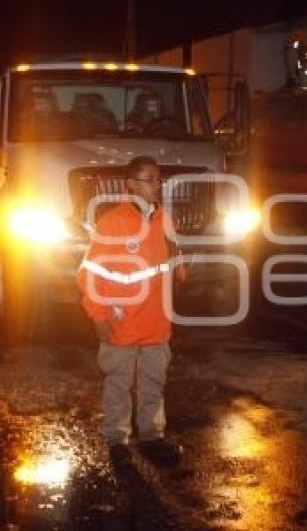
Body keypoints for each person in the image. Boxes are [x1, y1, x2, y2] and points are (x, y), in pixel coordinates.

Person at [77, 155, 185, 469]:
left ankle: (152, 436)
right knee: (118, 383)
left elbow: (173, 261)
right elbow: (89, 275)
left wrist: (181, 268)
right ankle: (117, 440)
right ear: (130, 184)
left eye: (158, 178)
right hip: (120, 321)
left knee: (153, 381)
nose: (157, 185)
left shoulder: (164, 219)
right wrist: (98, 316)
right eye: (149, 179)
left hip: (155, 320)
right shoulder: (111, 222)